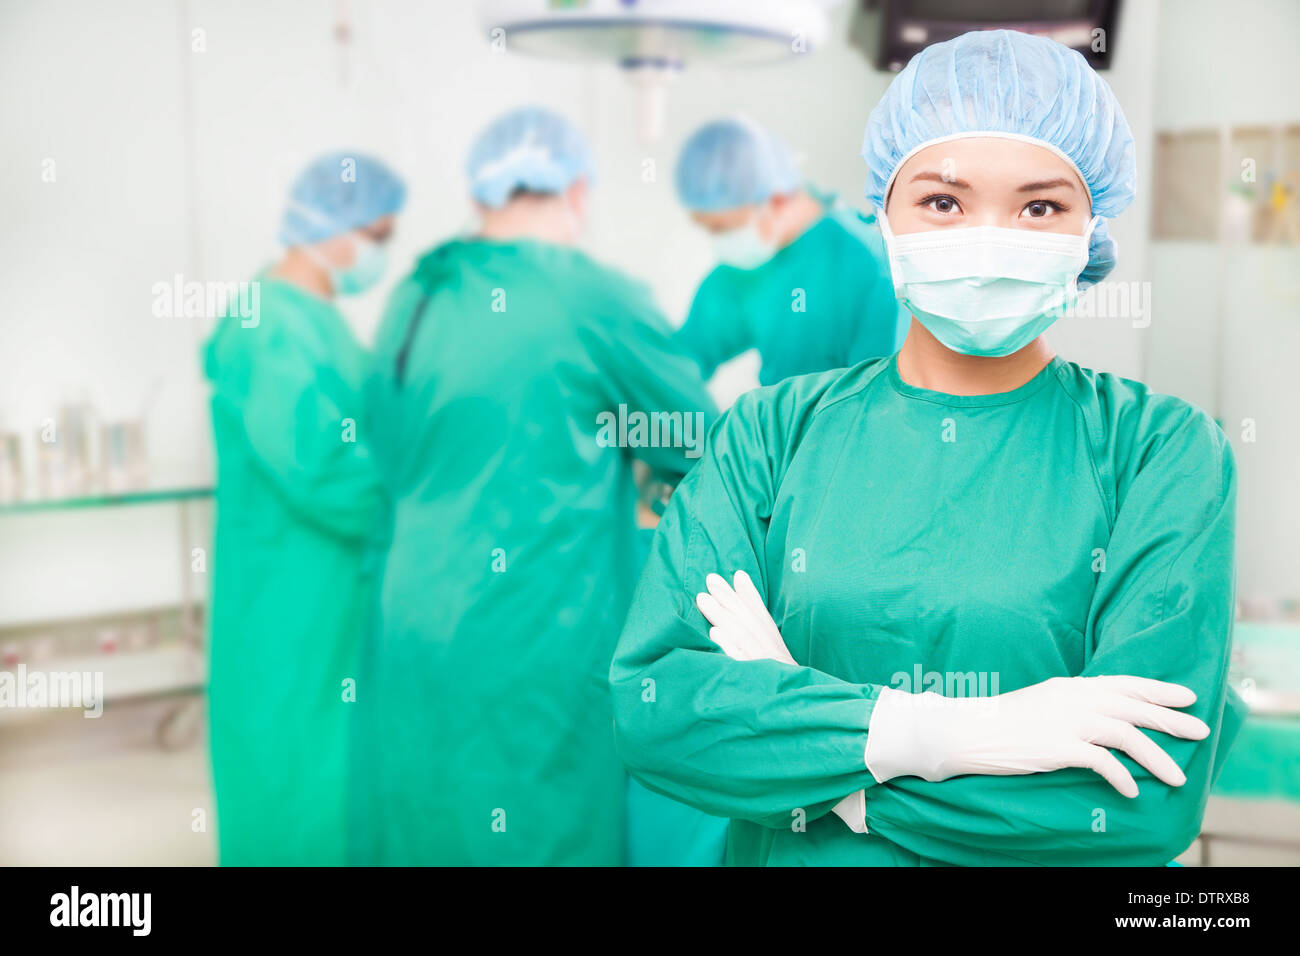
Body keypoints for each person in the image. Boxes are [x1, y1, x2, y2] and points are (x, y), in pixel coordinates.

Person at [611, 30, 1247, 866]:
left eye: (1040, 206)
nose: (989, 237)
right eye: (944, 202)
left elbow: (1141, 806)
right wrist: (942, 734)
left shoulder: (1160, 453)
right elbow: (660, 710)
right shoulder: (772, 432)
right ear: (882, 213)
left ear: (1093, 229)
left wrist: (826, 770)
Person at [351, 106, 719, 865]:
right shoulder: (590, 297)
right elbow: (698, 441)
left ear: (481, 193)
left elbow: (388, 446)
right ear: (577, 189)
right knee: (536, 820)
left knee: (431, 813)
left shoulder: (418, 292)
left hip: (412, 615)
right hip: (533, 628)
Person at [204, 152, 406, 865]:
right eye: (376, 234)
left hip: (331, 588)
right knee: (287, 763)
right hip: (288, 596)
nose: (380, 251)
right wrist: (413, 512)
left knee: (333, 761)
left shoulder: (315, 316)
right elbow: (314, 461)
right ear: (333, 224)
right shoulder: (267, 326)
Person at [673, 117, 907, 387]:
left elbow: (878, 401)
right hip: (776, 428)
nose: (719, 242)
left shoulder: (874, 267)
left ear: (777, 202)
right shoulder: (744, 270)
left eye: (723, 228)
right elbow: (678, 365)